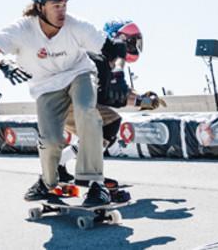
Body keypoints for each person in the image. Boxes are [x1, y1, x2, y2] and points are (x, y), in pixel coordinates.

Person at [0, 0, 113, 208]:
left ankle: (95, 183)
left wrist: (116, 65)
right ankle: (47, 183)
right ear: (40, 7)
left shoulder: (76, 25)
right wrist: (2, 64)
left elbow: (107, 47)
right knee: (50, 140)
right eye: (55, 6)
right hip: (46, 86)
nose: (62, 12)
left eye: (64, 6)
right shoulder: (21, 29)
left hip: (79, 73)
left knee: (86, 112)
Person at [57, 19, 152, 191]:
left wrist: (146, 101)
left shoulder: (106, 63)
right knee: (104, 125)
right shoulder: (97, 59)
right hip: (63, 101)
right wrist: (142, 102)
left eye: (135, 42)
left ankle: (59, 165)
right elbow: (110, 97)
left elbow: (121, 93)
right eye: (130, 42)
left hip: (71, 101)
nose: (132, 47)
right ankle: (87, 174)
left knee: (109, 124)